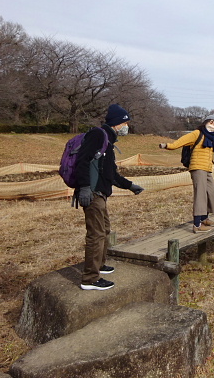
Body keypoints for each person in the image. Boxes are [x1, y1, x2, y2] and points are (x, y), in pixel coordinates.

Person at [75, 104, 144, 291]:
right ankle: (90, 278)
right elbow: (81, 161)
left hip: (101, 193)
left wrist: (130, 186)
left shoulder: (108, 141)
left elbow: (111, 174)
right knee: (96, 234)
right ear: (118, 123)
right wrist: (84, 187)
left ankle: (100, 265)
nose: (127, 127)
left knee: (104, 230)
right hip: (93, 193)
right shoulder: (98, 135)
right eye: (126, 123)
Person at [159, 114, 214, 233]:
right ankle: (197, 224)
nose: (212, 125)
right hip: (197, 168)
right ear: (205, 122)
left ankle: (204, 218)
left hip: (207, 169)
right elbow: (181, 141)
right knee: (200, 194)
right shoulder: (197, 134)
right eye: (211, 122)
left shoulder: (212, 139)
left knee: (211, 193)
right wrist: (167, 146)